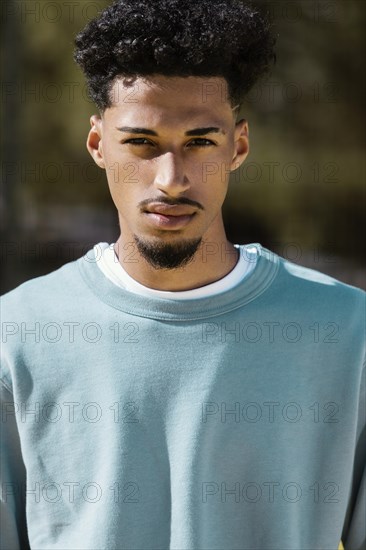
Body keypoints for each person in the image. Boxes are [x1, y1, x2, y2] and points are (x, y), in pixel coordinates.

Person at [1, 0, 364, 548]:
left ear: (238, 145)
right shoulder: (17, 332)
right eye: (141, 144)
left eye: (200, 142)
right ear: (98, 144)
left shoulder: (348, 331)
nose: (171, 180)